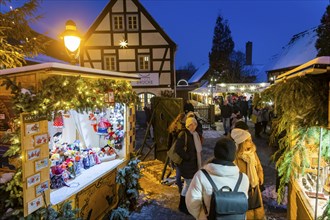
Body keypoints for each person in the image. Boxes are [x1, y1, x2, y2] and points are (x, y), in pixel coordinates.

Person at [185, 137, 249, 219]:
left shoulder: (201, 176)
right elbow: (243, 204)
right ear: (234, 155)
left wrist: (202, 216)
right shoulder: (243, 178)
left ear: (215, 153)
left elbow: (192, 203)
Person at [231, 128, 265, 220]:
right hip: (243, 189)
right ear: (241, 142)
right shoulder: (235, 157)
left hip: (255, 185)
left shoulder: (252, 153)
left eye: (251, 140)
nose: (251, 142)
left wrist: (260, 174)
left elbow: (258, 165)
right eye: (248, 141)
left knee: (257, 209)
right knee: (247, 211)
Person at [175, 117, 202, 214]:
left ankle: (184, 205)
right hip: (187, 165)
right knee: (189, 185)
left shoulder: (194, 134)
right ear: (188, 125)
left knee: (187, 184)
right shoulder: (184, 134)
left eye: (195, 124)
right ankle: (183, 205)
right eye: (191, 124)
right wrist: (187, 157)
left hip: (193, 164)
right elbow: (178, 149)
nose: (193, 126)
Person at [167, 112, 186, 193]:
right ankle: (182, 190)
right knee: (181, 171)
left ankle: (180, 189)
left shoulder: (173, 127)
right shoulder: (182, 129)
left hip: (173, 151)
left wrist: (168, 151)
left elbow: (169, 140)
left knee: (178, 171)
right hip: (178, 151)